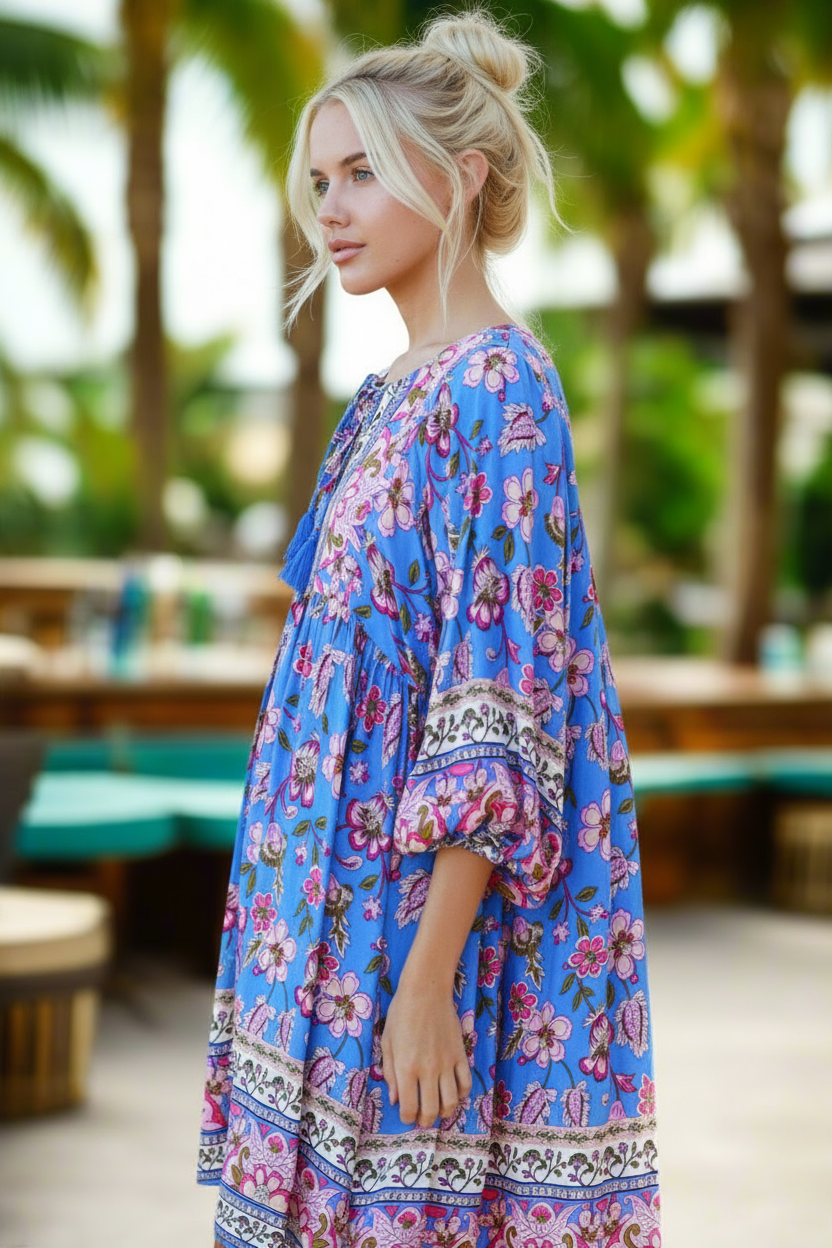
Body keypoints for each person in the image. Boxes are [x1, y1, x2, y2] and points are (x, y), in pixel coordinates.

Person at [198, 10, 661, 1247]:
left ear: (458, 179)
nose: (331, 210)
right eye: (319, 181)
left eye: (362, 173)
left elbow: (494, 709)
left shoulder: (500, 390)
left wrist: (426, 979)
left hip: (402, 930)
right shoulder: (391, 393)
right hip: (321, 914)